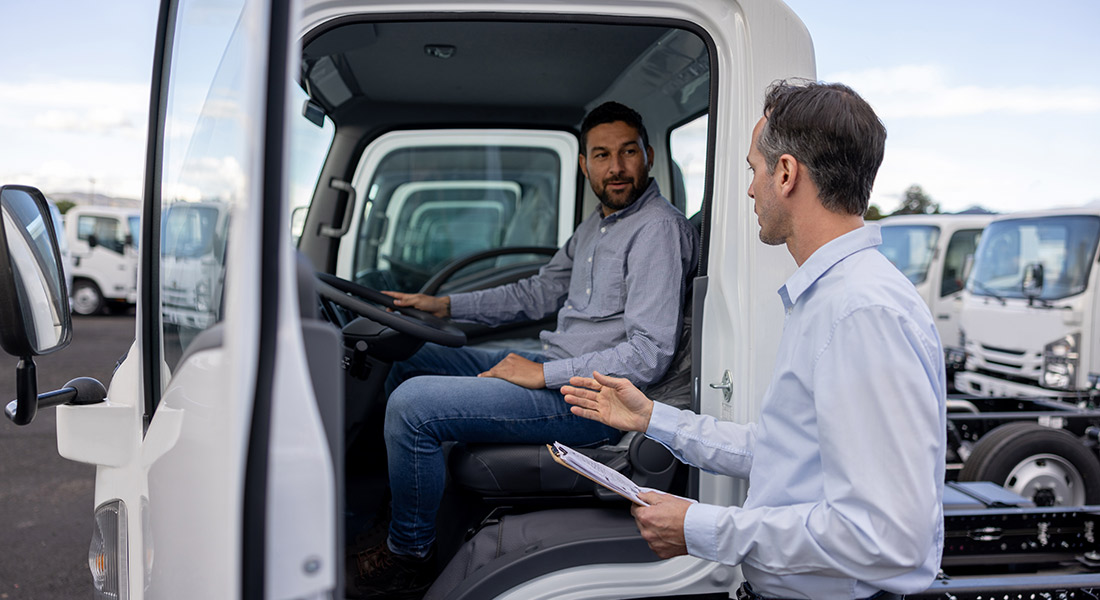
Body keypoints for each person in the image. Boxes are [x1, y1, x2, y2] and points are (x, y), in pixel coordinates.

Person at [563, 81, 946, 600]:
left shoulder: (860, 312)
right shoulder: (833, 298)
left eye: (753, 170)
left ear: (785, 174)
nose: (749, 189)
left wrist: (701, 527)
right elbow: (780, 452)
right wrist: (652, 417)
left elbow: (886, 536)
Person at [348, 101, 699, 598]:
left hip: (592, 401)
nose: (616, 168)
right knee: (407, 356)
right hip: (557, 370)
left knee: (412, 407)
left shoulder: (657, 230)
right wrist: (444, 305)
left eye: (628, 152)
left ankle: (409, 554)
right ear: (584, 165)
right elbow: (535, 293)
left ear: (649, 157)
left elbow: (649, 353)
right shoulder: (599, 226)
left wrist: (544, 374)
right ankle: (408, 507)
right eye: (602, 155)